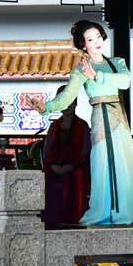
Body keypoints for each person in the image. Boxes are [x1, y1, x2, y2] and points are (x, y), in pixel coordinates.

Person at [27, 20, 133, 226]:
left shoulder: (117, 62)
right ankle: (106, 213)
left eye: (98, 36)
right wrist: (46, 108)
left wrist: (97, 75)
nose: (96, 42)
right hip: (100, 116)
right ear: (83, 44)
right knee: (103, 163)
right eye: (90, 39)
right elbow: (66, 98)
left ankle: (125, 214)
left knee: (123, 163)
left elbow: (125, 81)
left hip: (119, 118)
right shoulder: (80, 70)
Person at [41, 87, 91, 228]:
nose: (67, 106)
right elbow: (48, 152)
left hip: (75, 170)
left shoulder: (82, 126)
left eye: (70, 102)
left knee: (76, 179)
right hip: (55, 170)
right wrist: (53, 166)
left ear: (75, 103)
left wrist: (70, 166)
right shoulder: (54, 126)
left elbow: (85, 152)